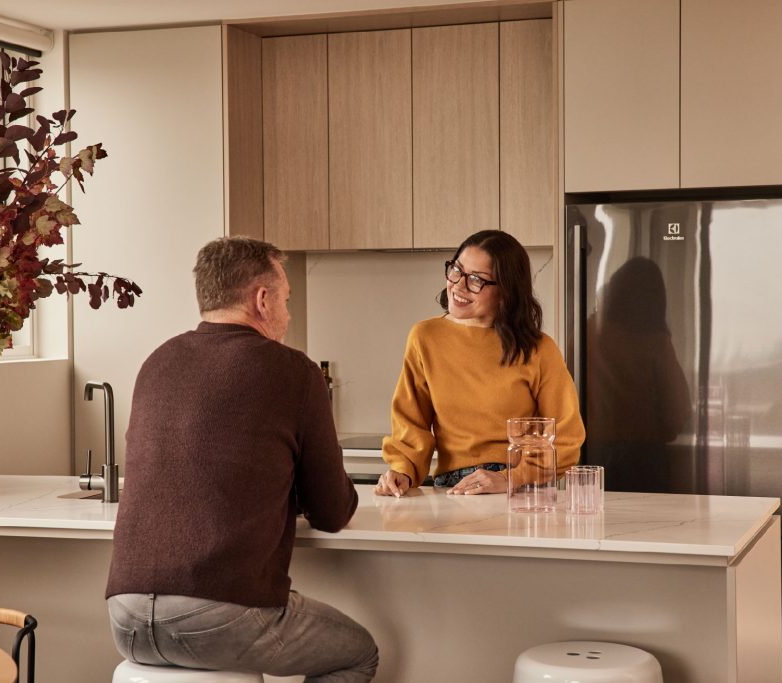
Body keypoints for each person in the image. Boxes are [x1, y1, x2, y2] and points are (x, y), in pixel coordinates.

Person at [106, 236, 378, 682]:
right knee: (357, 653)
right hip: (219, 619)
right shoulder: (294, 372)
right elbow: (332, 512)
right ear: (263, 299)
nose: (289, 315)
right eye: (287, 300)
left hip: (124, 618)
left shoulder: (157, 361)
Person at [375, 229, 585, 497]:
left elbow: (566, 438)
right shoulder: (425, 337)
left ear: (505, 291)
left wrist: (511, 478)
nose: (459, 286)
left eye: (476, 279)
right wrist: (402, 471)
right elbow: (410, 423)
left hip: (519, 491)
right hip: (454, 489)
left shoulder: (539, 349)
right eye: (457, 271)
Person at [583, 256, 691, 492]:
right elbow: (677, 411)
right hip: (643, 458)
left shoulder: (586, 333)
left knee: (594, 525)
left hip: (591, 455)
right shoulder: (653, 340)